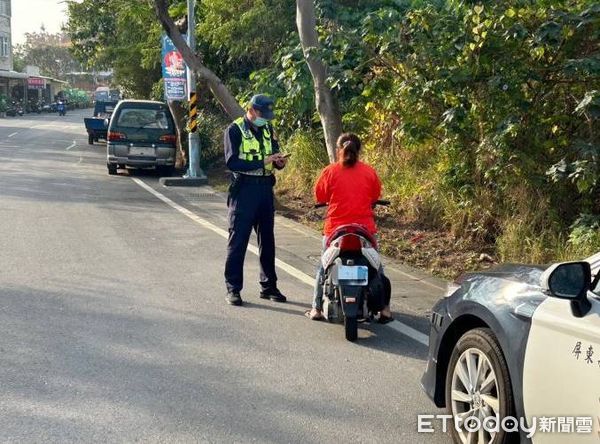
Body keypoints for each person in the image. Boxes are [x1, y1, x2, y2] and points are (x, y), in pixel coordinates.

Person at [306, 133, 393, 323]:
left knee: (324, 266)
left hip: (335, 230)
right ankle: (385, 309)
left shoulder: (329, 171)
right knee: (377, 267)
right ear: (359, 151)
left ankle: (316, 308)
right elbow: (375, 195)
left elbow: (320, 196)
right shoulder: (369, 172)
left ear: (338, 150)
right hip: (364, 230)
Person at [223, 94, 289, 306]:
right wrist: (262, 161)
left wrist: (278, 161)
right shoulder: (235, 130)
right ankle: (233, 288)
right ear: (251, 110)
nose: (266, 118)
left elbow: (274, 154)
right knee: (238, 240)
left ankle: (269, 286)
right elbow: (232, 162)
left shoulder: (268, 129)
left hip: (264, 189)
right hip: (244, 190)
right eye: (263, 114)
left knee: (267, 240)